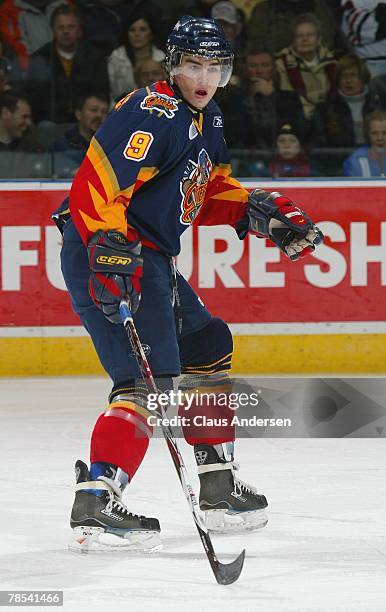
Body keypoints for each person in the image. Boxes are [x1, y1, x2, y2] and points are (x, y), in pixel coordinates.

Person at [55, 15, 323, 552]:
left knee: (207, 345)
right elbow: (98, 182)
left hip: (150, 260)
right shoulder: (151, 112)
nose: (204, 77)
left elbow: (207, 191)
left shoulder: (209, 118)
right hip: (111, 254)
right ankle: (97, 497)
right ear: (174, 65)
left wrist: (257, 211)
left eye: (216, 68)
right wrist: (108, 249)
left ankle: (218, 485)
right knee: (144, 386)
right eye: (194, 65)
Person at [25, 4, 110, 123]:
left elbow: (101, 94)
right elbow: (35, 99)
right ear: (53, 30)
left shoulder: (95, 58)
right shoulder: (39, 59)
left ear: (79, 30)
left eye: (71, 27)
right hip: (50, 123)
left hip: (87, 122)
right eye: (61, 27)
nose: (66, 31)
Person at [275, 13, 337, 121]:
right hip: (299, 118)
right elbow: (290, 98)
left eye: (310, 35)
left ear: (319, 39)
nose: (305, 39)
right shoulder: (282, 63)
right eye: (299, 36)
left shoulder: (332, 62)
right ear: (293, 40)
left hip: (329, 117)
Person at [107, 12, 165, 103]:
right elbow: (110, 91)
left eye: (142, 29)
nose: (137, 34)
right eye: (132, 30)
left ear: (151, 34)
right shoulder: (116, 57)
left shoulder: (162, 57)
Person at [53, 92, 109, 172]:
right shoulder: (62, 147)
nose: (99, 115)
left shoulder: (112, 146)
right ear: (78, 114)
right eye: (94, 110)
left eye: (104, 112)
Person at [343, 109, 386, 176]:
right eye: (374, 133)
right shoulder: (354, 161)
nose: (380, 138)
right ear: (367, 134)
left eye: (385, 133)